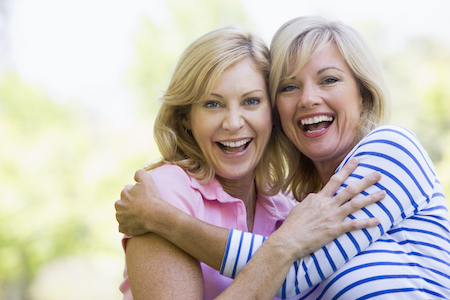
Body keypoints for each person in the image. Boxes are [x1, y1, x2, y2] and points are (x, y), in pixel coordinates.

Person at [116, 16, 450, 299]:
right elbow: (281, 264)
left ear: (363, 94)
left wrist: (164, 220)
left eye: (329, 80)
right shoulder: (297, 208)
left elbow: (289, 275)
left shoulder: (390, 151)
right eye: (289, 87)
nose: (307, 99)